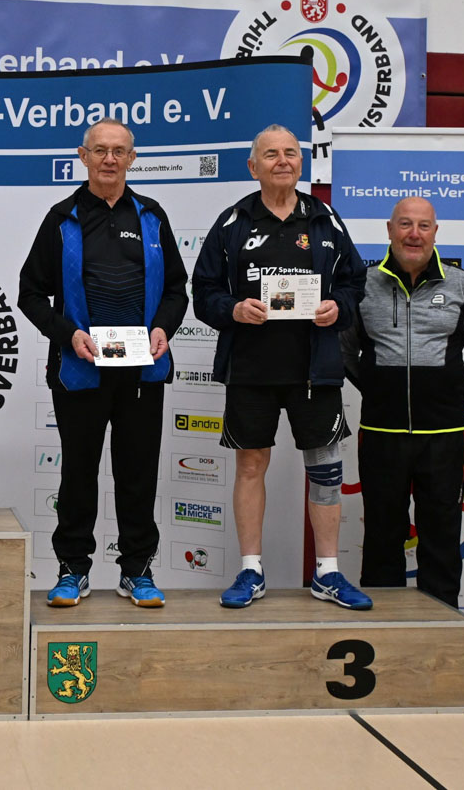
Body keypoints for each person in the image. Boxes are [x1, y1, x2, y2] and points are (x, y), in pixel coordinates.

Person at [192, 124, 371, 609]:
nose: (283, 161)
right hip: (251, 369)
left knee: (326, 470)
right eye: (271, 154)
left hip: (316, 368)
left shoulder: (325, 219)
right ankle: (251, 570)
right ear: (254, 166)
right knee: (251, 465)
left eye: (291, 153)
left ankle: (327, 573)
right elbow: (203, 292)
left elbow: (355, 282)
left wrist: (338, 308)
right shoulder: (232, 222)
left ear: (301, 162)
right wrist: (233, 309)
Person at [18, 119, 188, 607]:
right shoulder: (61, 218)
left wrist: (163, 327)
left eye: (118, 151)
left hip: (141, 372)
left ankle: (137, 570)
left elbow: (177, 289)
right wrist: (67, 335)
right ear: (84, 156)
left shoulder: (152, 216)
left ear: (132, 158)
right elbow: (30, 294)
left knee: (138, 474)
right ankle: (73, 569)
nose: (109, 159)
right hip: (80, 371)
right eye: (100, 150)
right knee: (78, 473)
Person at [341, 197, 464, 607]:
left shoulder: (460, 284)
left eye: (424, 225)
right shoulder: (362, 283)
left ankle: (442, 624)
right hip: (381, 433)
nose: (414, 234)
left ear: (435, 233)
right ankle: (385, 628)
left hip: (443, 435)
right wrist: (377, 391)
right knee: (382, 534)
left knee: (441, 533)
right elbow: (344, 351)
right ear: (389, 230)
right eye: (405, 224)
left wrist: (449, 399)